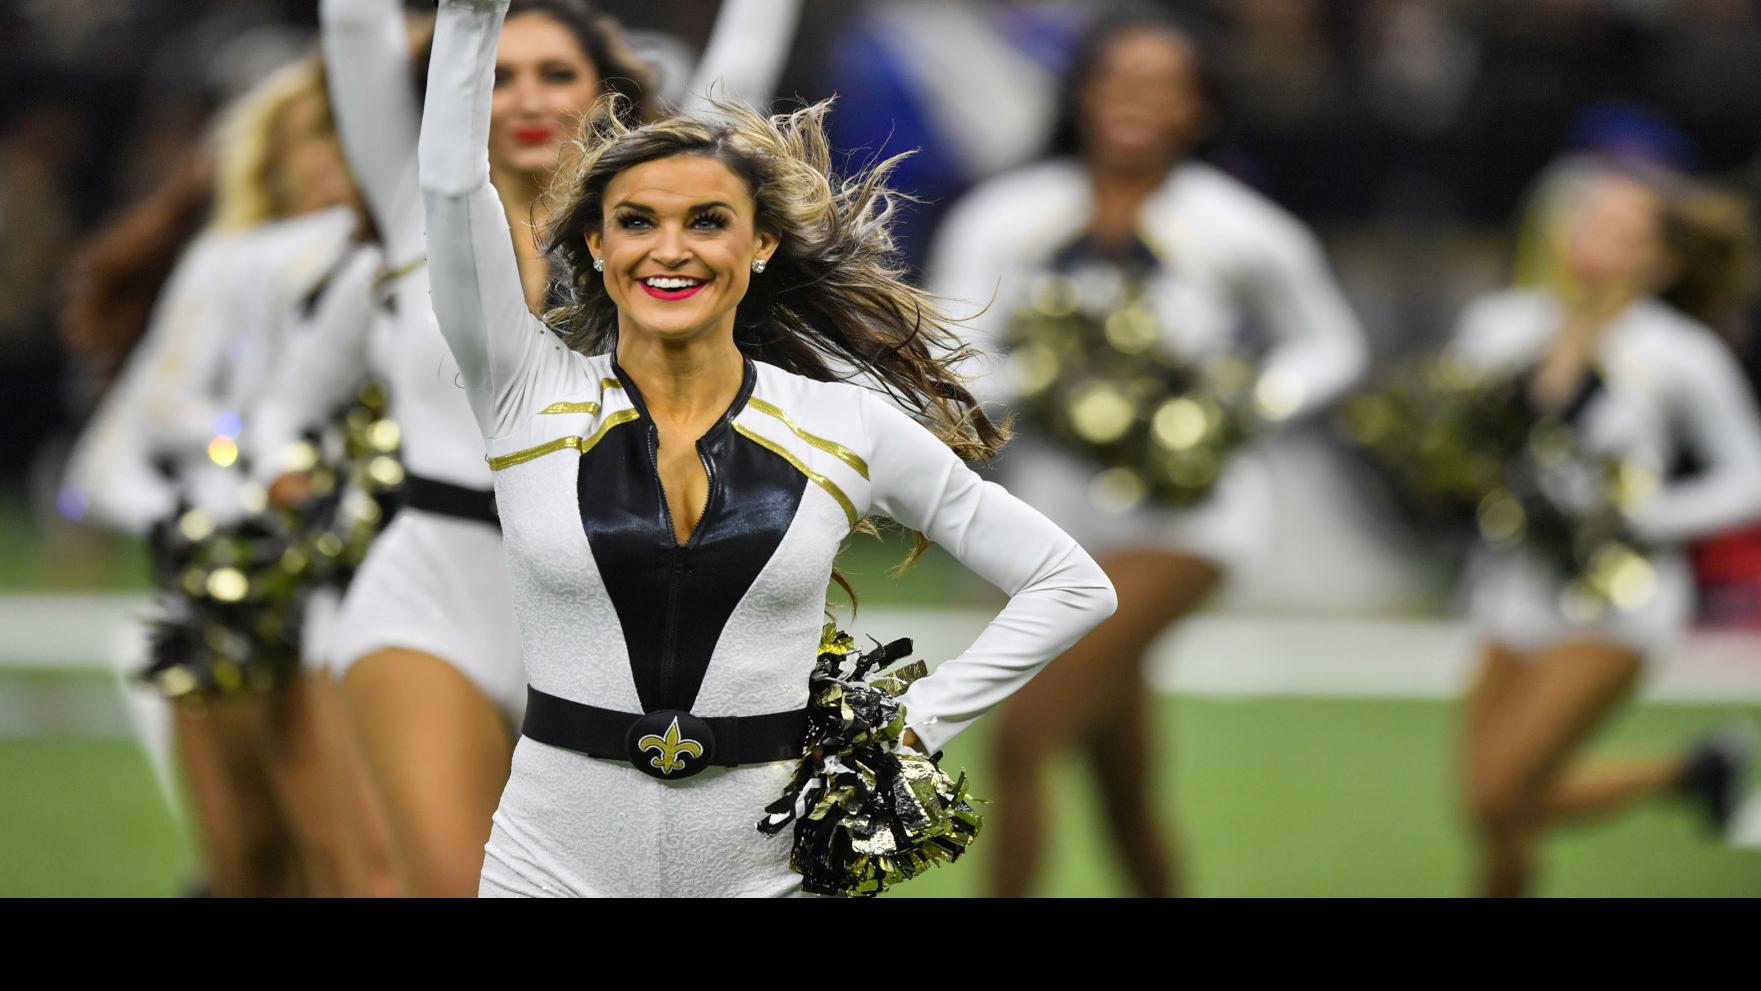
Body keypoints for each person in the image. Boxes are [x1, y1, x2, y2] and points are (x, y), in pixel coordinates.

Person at [418, 0, 1116, 897]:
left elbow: (1070, 584)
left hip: (768, 876)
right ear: (594, 245)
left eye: (708, 222)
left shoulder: (843, 425)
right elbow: (448, 191)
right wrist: (467, 19)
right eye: (636, 223)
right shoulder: (524, 391)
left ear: (761, 244)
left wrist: (909, 729)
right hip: (545, 867)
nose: (670, 251)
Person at [287, 0, 801, 896]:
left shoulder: (652, 229)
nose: (522, 96)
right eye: (499, 74)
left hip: (600, 612)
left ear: (605, 95)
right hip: (432, 588)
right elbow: (355, 26)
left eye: (554, 74)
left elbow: (748, 48)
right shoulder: (419, 208)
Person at [926, 9, 1367, 896]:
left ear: (1197, 108)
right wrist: (1053, 379)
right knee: (1119, 779)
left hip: (1190, 515)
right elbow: (946, 346)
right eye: (1116, 81)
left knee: (1025, 736)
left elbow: (1331, 345)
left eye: (1162, 86)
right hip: (1050, 517)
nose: (1135, 103)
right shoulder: (1010, 212)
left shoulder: (1237, 225)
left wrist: (1239, 406)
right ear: (1082, 94)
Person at [63, 56, 377, 896]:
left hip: (373, 571)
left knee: (347, 853)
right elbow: (130, 439)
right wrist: (235, 472)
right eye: (321, 138)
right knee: (255, 854)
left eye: (355, 138)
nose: (336, 161)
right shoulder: (235, 262)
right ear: (276, 157)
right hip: (241, 581)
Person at [1448, 164, 1761, 897]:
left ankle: (1680, 771)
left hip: (1618, 594)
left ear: (1660, 259)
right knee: (1494, 812)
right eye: (1587, 220)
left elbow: (1748, 474)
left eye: (1623, 231)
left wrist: (1649, 514)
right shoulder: (1500, 326)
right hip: (1512, 584)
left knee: (1496, 793)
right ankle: (1696, 771)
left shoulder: (1679, 353)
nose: (1593, 239)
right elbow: (1462, 437)